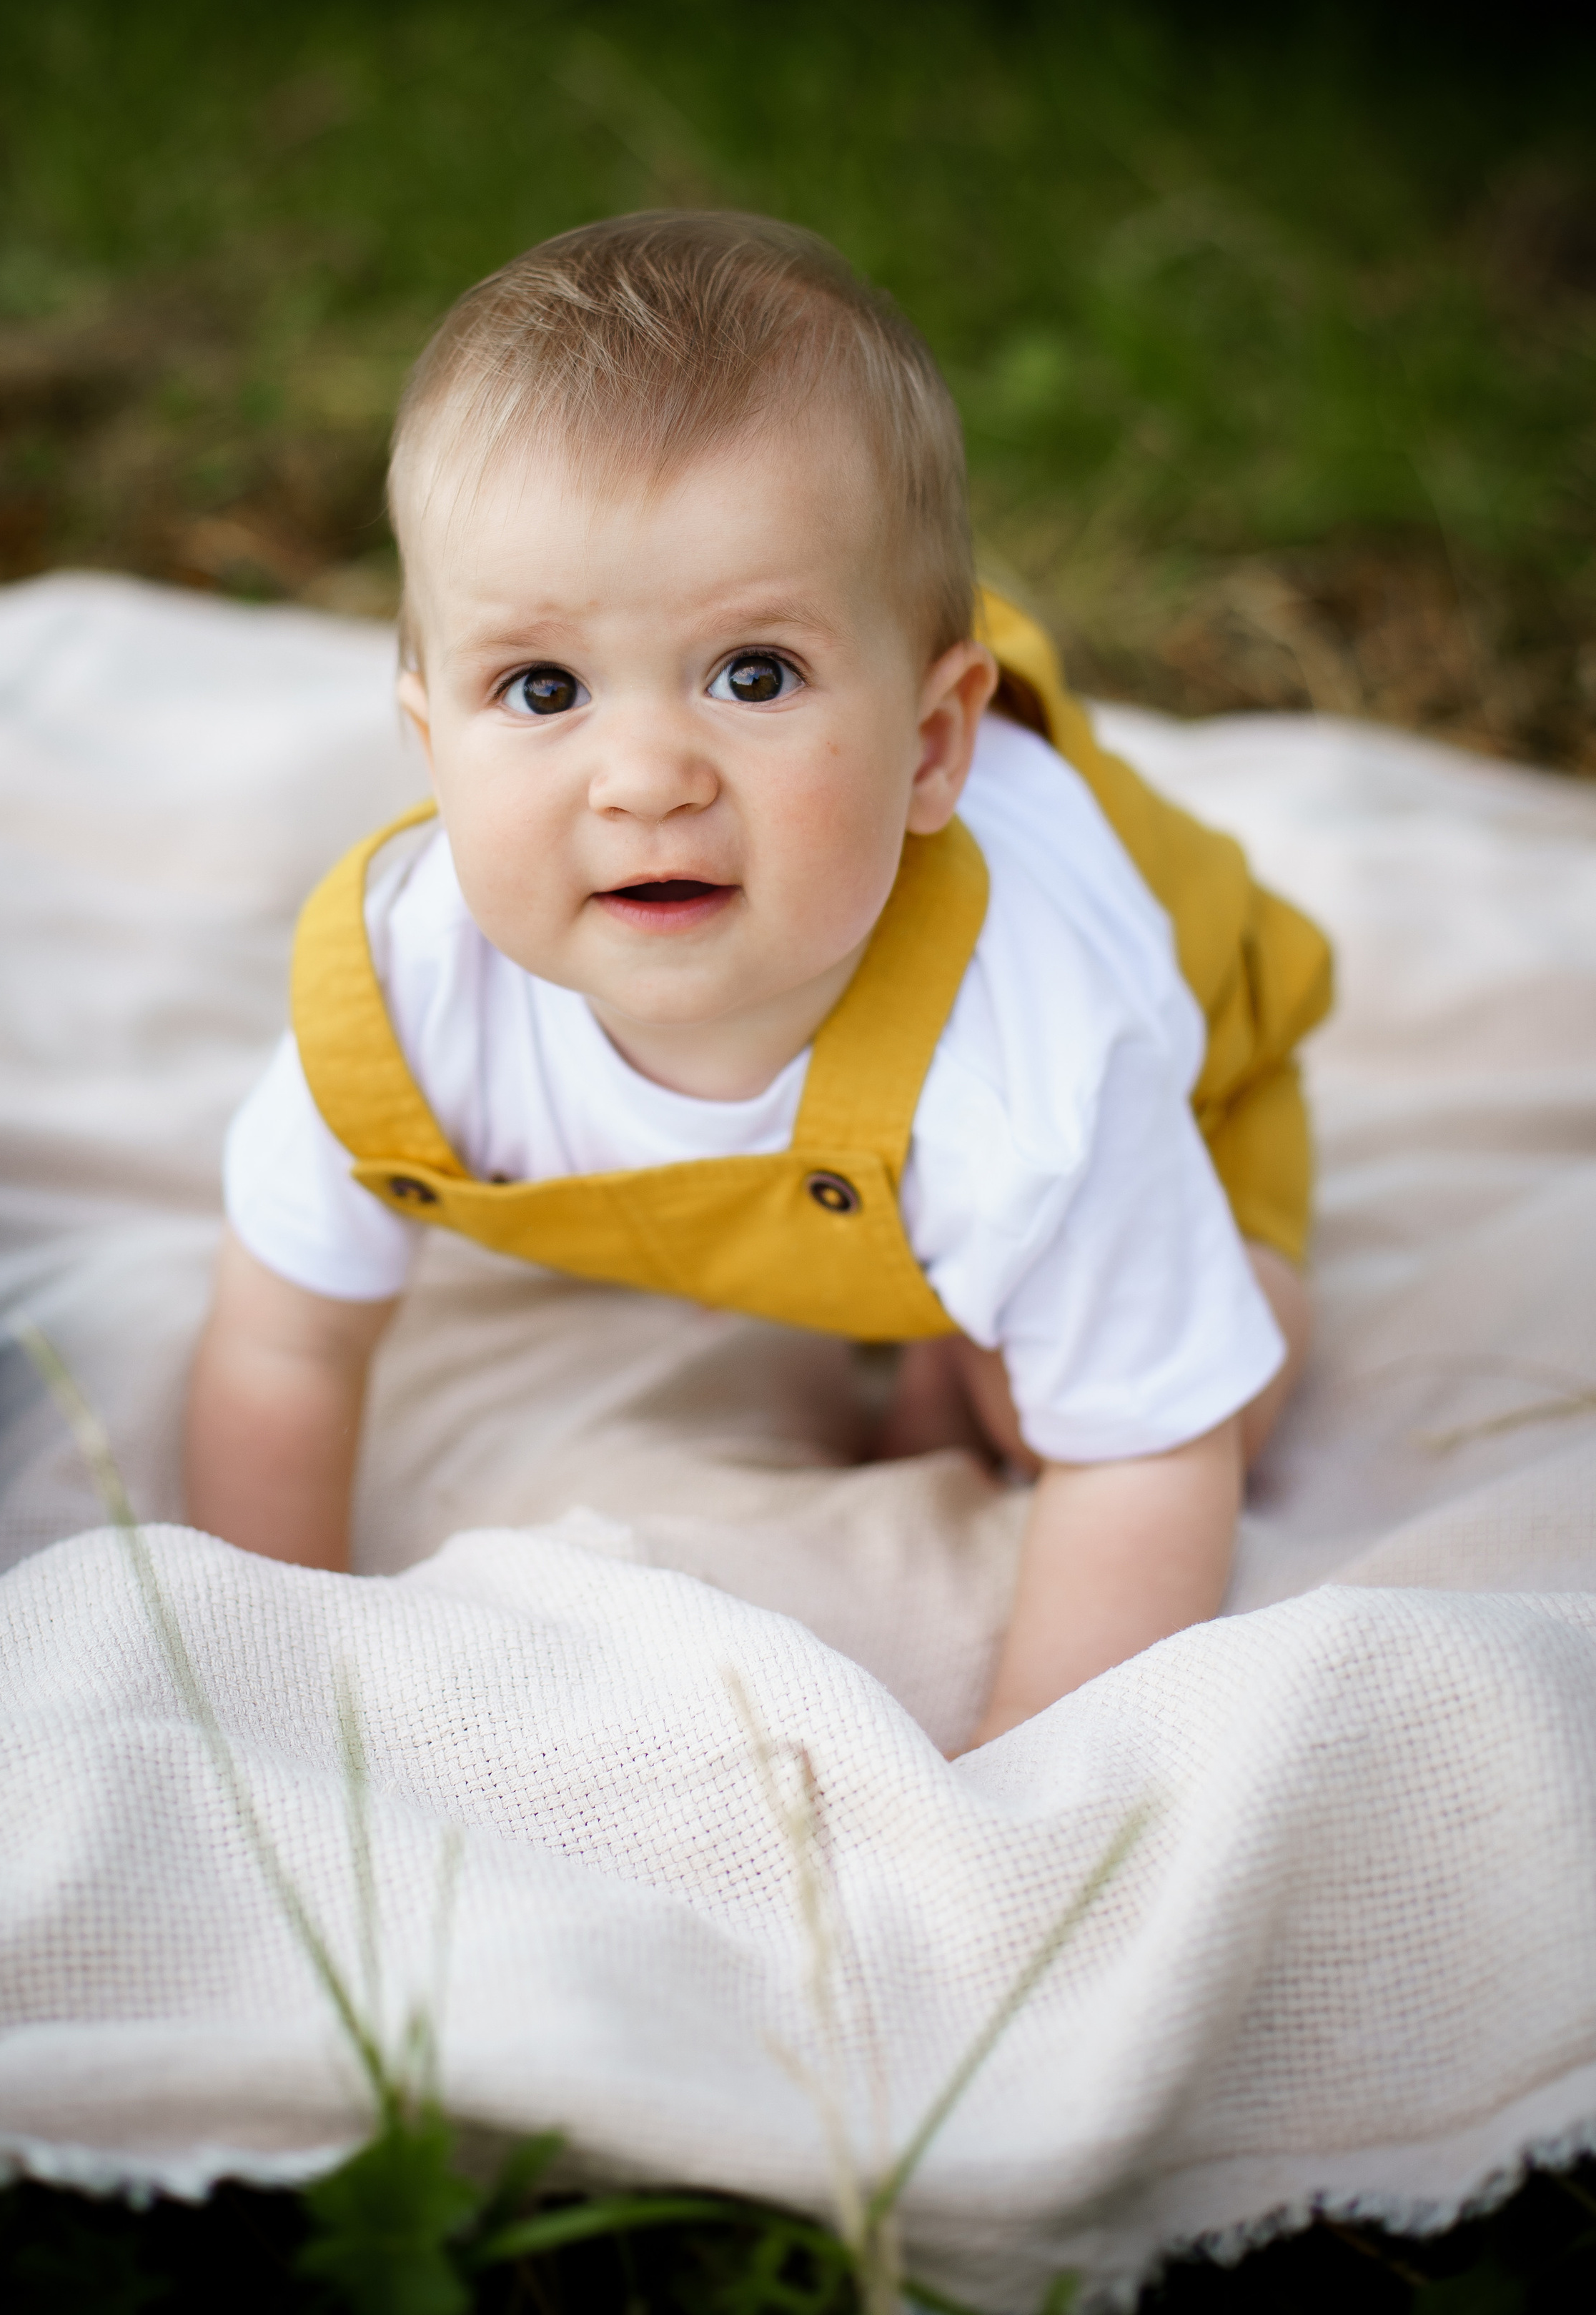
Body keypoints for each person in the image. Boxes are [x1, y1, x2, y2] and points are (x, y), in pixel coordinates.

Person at [185, 211, 1330, 1749]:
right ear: (429, 744)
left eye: (753, 674)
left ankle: (1020, 1317)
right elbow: (283, 1335)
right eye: (541, 689)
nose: (646, 778)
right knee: (1001, 1327)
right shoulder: (401, 993)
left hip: (1199, 1078)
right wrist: (262, 1686)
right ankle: (957, 1306)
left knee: (1117, 1401)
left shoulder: (1037, 1061)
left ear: (932, 750)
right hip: (916, 1183)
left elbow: (1152, 1460)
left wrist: (1014, 1810)